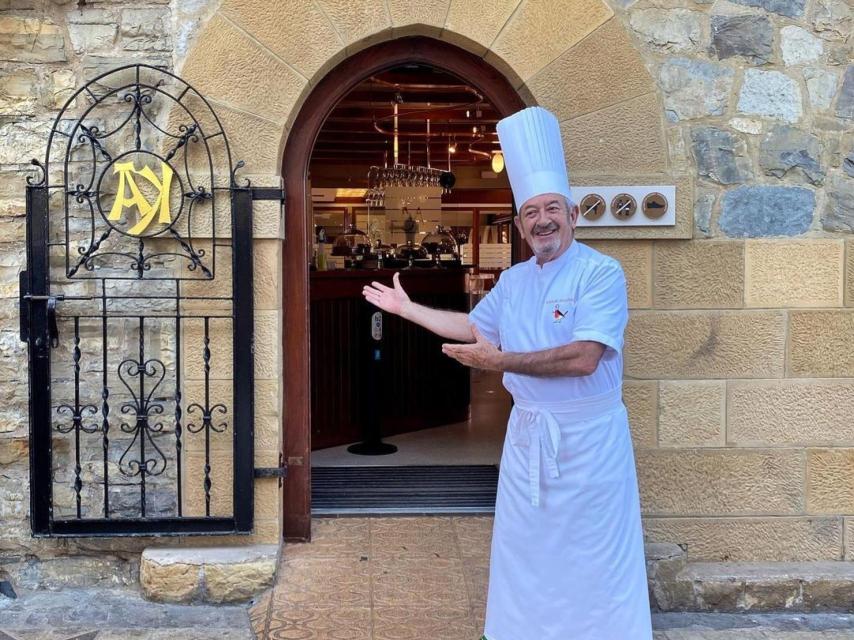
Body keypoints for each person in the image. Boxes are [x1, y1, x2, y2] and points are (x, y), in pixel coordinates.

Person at [362, 106, 652, 640]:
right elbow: (473, 325)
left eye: (551, 209)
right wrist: (409, 310)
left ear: (572, 213)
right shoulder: (515, 280)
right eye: (530, 212)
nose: (542, 220)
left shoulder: (602, 273)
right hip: (529, 438)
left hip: (590, 443)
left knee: (592, 553)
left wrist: (501, 363)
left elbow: (585, 356)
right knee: (526, 548)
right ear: (519, 225)